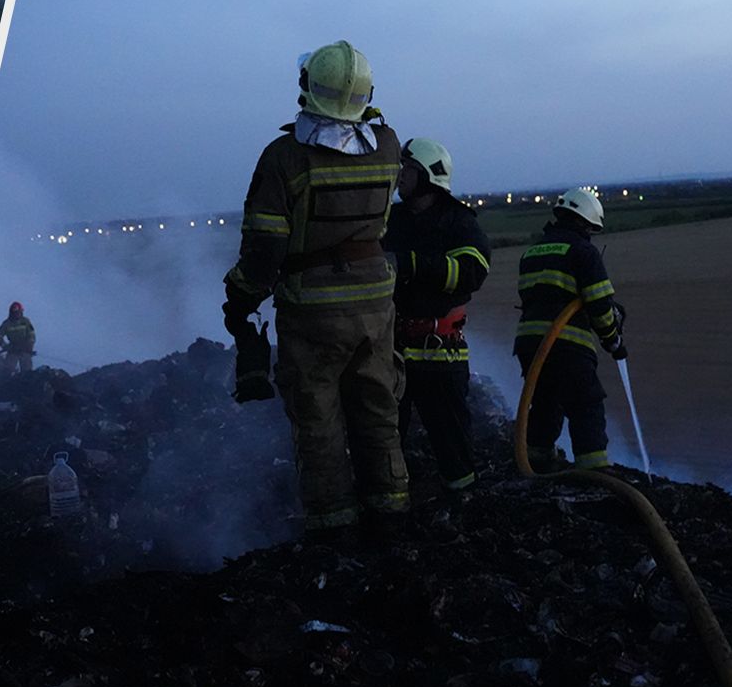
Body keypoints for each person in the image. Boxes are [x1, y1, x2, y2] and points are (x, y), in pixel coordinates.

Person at [222, 40, 409, 537]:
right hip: (375, 304)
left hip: (313, 310)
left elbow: (265, 248)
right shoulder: (388, 145)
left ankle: (334, 526)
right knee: (378, 407)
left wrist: (239, 299)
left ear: (307, 87)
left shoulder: (285, 158)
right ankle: (392, 510)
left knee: (319, 418)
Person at [382, 138, 491, 490]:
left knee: (451, 442)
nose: (399, 177)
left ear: (428, 176)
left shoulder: (458, 221)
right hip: (390, 350)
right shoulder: (392, 220)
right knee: (383, 437)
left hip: (439, 350)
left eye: (407, 170)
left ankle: (464, 507)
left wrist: (411, 265)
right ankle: (391, 512)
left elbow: (472, 271)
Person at [514, 187, 626, 470]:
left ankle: (537, 462)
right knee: (585, 404)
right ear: (584, 222)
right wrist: (613, 340)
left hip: (529, 345)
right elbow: (600, 305)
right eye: (590, 228)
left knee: (545, 402)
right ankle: (595, 471)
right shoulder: (583, 252)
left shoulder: (531, 252)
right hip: (567, 344)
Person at [0, 302, 36, 375]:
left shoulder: (25, 321)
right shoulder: (6, 323)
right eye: (15, 312)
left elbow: (31, 334)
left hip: (25, 349)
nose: (17, 314)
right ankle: (5, 384)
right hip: (12, 349)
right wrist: (5, 346)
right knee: (7, 369)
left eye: (19, 312)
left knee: (27, 371)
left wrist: (30, 345)